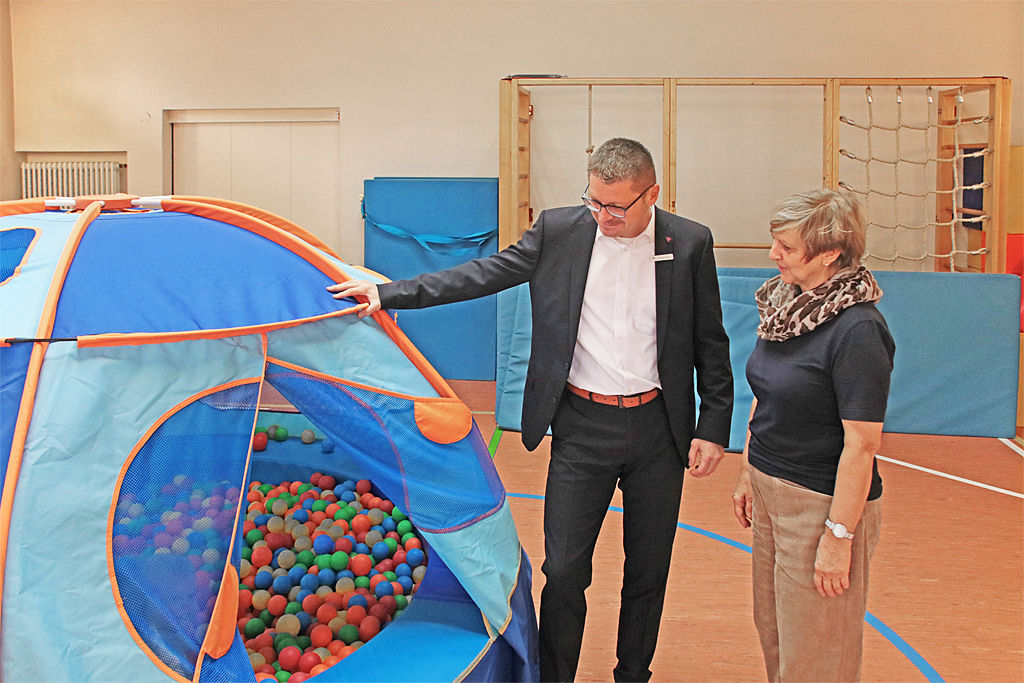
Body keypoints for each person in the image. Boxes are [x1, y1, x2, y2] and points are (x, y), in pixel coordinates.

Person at [329, 138, 733, 682]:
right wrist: (391, 293)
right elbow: (481, 275)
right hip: (582, 426)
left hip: (659, 429)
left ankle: (633, 674)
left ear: (652, 194)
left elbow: (711, 339)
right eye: (595, 202)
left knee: (647, 572)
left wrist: (713, 425)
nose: (604, 216)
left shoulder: (688, 243)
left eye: (617, 207)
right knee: (563, 571)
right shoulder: (561, 230)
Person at [731, 189, 895, 682]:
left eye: (786, 247)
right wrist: (747, 473)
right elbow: (766, 393)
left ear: (829, 254)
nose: (773, 255)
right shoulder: (784, 306)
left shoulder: (858, 329)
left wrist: (838, 538)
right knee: (778, 634)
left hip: (820, 505)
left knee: (819, 649)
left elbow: (862, 444)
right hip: (770, 488)